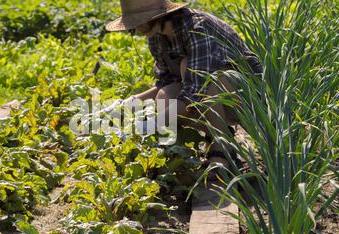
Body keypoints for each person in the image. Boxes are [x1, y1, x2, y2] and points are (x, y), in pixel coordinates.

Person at [105, 0, 262, 179]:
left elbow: (193, 95)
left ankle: (223, 149)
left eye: (139, 20)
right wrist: (126, 105)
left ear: (158, 16)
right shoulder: (157, 37)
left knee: (213, 81)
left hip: (247, 98)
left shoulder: (197, 28)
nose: (136, 27)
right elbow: (165, 82)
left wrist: (150, 125)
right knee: (165, 97)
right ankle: (219, 132)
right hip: (207, 95)